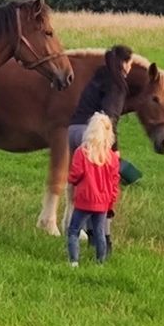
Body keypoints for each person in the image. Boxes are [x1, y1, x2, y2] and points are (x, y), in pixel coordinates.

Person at [65, 44, 133, 254]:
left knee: (88, 180)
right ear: (126, 63)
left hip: (74, 131)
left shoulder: (99, 75)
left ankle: (85, 227)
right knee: (104, 181)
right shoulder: (118, 84)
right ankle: (102, 237)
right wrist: (114, 149)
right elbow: (109, 118)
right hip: (93, 132)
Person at [66, 112, 120, 266]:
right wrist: (111, 202)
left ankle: (74, 262)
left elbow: (75, 175)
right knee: (100, 233)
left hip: (84, 200)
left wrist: (72, 182)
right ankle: (100, 262)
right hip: (102, 203)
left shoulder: (82, 153)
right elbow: (114, 183)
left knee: (73, 231)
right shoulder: (112, 158)